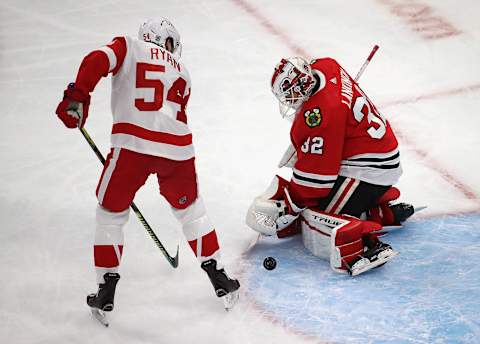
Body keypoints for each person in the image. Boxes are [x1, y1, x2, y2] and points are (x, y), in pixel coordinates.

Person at [55, 18, 240, 315]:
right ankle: (219, 275)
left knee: (110, 214)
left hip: (132, 147)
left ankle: (106, 288)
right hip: (178, 152)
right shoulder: (183, 71)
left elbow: (96, 60)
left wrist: (79, 95)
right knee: (193, 212)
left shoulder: (129, 45)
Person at [246, 56, 417, 276]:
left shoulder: (319, 116)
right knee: (312, 205)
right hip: (375, 152)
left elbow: (316, 182)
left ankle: (365, 247)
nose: (289, 100)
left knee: (315, 217)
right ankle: (376, 212)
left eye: (290, 94)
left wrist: (290, 206)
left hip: (370, 169)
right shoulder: (326, 65)